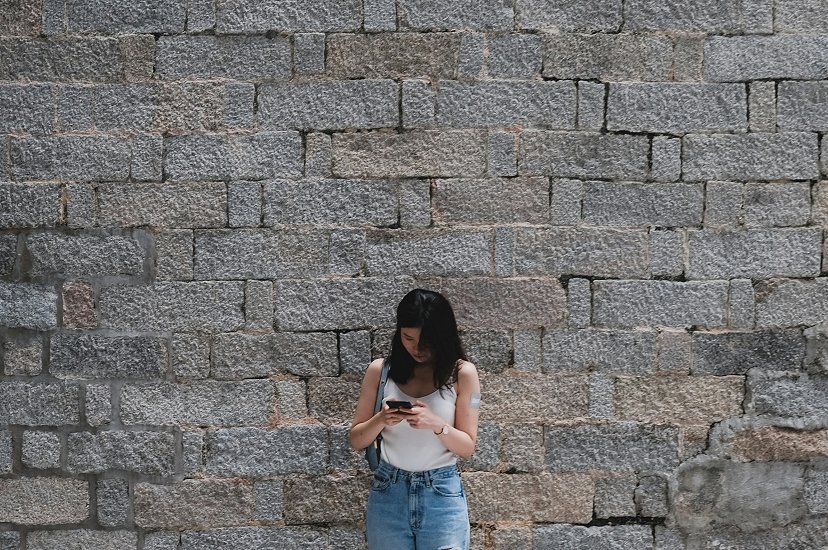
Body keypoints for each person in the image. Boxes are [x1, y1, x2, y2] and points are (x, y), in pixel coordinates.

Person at [350, 289, 481, 550]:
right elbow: (356, 439)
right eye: (408, 338)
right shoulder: (380, 371)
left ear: (442, 337)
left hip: (441, 494)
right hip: (389, 492)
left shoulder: (462, 373)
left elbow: (467, 447)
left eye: (426, 341)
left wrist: (436, 424)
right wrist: (382, 419)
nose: (416, 348)